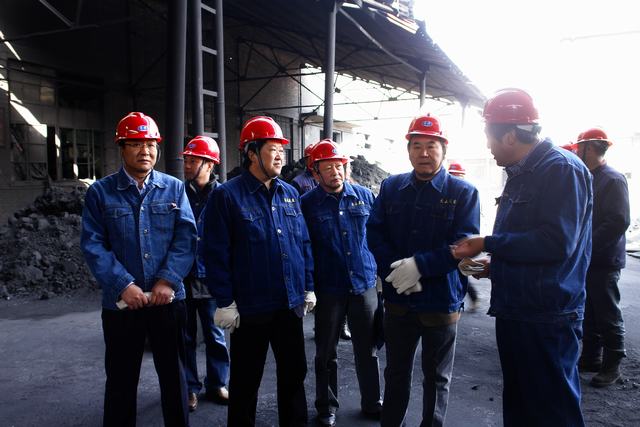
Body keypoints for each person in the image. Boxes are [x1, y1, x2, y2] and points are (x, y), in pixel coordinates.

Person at [451, 89, 593, 426]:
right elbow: (530, 240)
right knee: (522, 404)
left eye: (489, 135)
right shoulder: (521, 171)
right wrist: (496, 267)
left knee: (553, 410)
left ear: (511, 136)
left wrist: (488, 242)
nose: (488, 145)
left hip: (546, 315)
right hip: (519, 308)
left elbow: (556, 242)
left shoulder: (561, 169)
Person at [81, 112, 196, 427]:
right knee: (120, 382)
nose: (145, 151)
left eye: (150, 144)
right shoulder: (100, 193)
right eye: (135, 144)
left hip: (167, 302)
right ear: (121, 147)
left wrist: (168, 281)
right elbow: (93, 245)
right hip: (122, 306)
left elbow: (186, 238)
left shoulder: (174, 189)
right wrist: (123, 285)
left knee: (174, 379)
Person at [367, 114, 480, 427]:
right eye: (417, 146)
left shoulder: (463, 192)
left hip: (440, 301)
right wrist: (397, 270)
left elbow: (464, 243)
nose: (424, 153)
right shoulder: (392, 187)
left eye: (432, 145)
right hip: (399, 299)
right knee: (396, 372)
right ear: (408, 151)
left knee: (437, 377)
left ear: (444, 149)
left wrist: (420, 266)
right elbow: (375, 232)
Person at [202, 116, 315, 427]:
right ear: (252, 153)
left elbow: (303, 242)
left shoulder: (289, 193)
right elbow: (215, 252)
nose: (280, 156)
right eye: (272, 149)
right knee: (246, 380)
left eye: (281, 150)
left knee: (294, 374)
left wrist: (308, 286)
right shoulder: (227, 196)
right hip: (251, 308)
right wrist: (224, 301)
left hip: (289, 304)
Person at [301, 139, 382, 426]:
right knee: (326, 352)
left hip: (363, 284)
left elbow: (379, 236)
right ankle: (326, 406)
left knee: (368, 349)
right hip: (329, 288)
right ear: (316, 172)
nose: (335, 172)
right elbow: (304, 247)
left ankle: (372, 401)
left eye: (339, 166)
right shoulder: (307, 204)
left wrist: (382, 278)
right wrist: (308, 286)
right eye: (328, 167)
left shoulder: (365, 196)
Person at [574, 128, 630, 387]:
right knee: (589, 310)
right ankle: (591, 358)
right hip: (588, 257)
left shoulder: (613, 179)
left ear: (590, 148)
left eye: (579, 148)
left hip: (603, 259)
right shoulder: (589, 176)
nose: (577, 152)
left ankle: (613, 364)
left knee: (607, 312)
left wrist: (588, 245)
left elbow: (618, 221)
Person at [181, 136, 230, 411]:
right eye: (186, 160)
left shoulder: (224, 196)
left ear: (210, 164)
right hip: (184, 276)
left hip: (212, 277)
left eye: (193, 161)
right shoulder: (178, 193)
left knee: (215, 334)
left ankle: (217, 383)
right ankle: (189, 388)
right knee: (185, 335)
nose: (187, 165)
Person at [447, 161, 480, 311]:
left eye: (458, 175)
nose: (456, 178)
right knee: (460, 271)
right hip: (451, 244)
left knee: (460, 271)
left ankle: (472, 298)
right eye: (453, 175)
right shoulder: (445, 192)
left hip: (463, 242)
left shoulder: (468, 192)